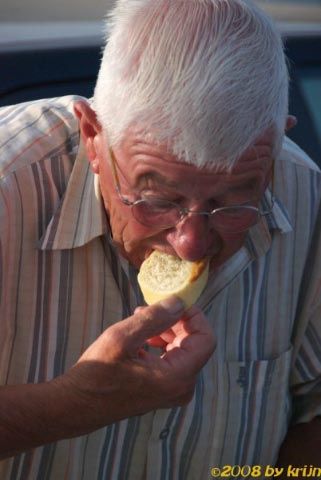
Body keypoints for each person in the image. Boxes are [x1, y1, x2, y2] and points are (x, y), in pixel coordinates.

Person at [0, 0, 321, 478]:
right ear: (93, 135)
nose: (191, 243)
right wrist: (75, 403)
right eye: (155, 198)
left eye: (234, 201)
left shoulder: (304, 191)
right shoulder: (9, 187)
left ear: (276, 146)